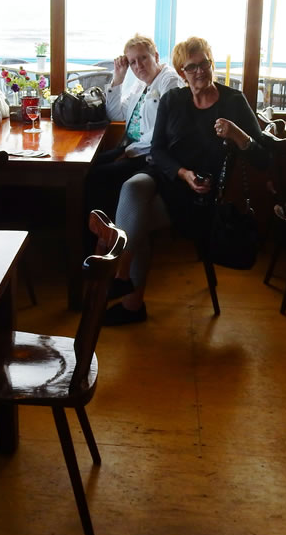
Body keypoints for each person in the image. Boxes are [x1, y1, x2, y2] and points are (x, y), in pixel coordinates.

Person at [104, 36, 272, 326]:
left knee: (136, 220)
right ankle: (122, 276)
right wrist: (182, 173)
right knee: (131, 187)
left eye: (204, 64)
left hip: (202, 195)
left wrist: (237, 134)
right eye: (191, 67)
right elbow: (157, 150)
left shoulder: (233, 101)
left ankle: (132, 304)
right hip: (170, 175)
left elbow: (264, 159)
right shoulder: (173, 100)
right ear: (182, 72)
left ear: (212, 64)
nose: (199, 72)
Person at [86, 34, 184, 213]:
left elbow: (164, 130)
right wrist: (118, 79)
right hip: (130, 147)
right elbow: (116, 114)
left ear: (156, 56)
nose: (138, 66)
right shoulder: (141, 84)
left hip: (149, 155)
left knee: (98, 175)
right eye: (132, 62)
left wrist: (130, 151)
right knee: (88, 166)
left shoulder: (169, 81)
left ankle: (104, 226)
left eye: (143, 58)